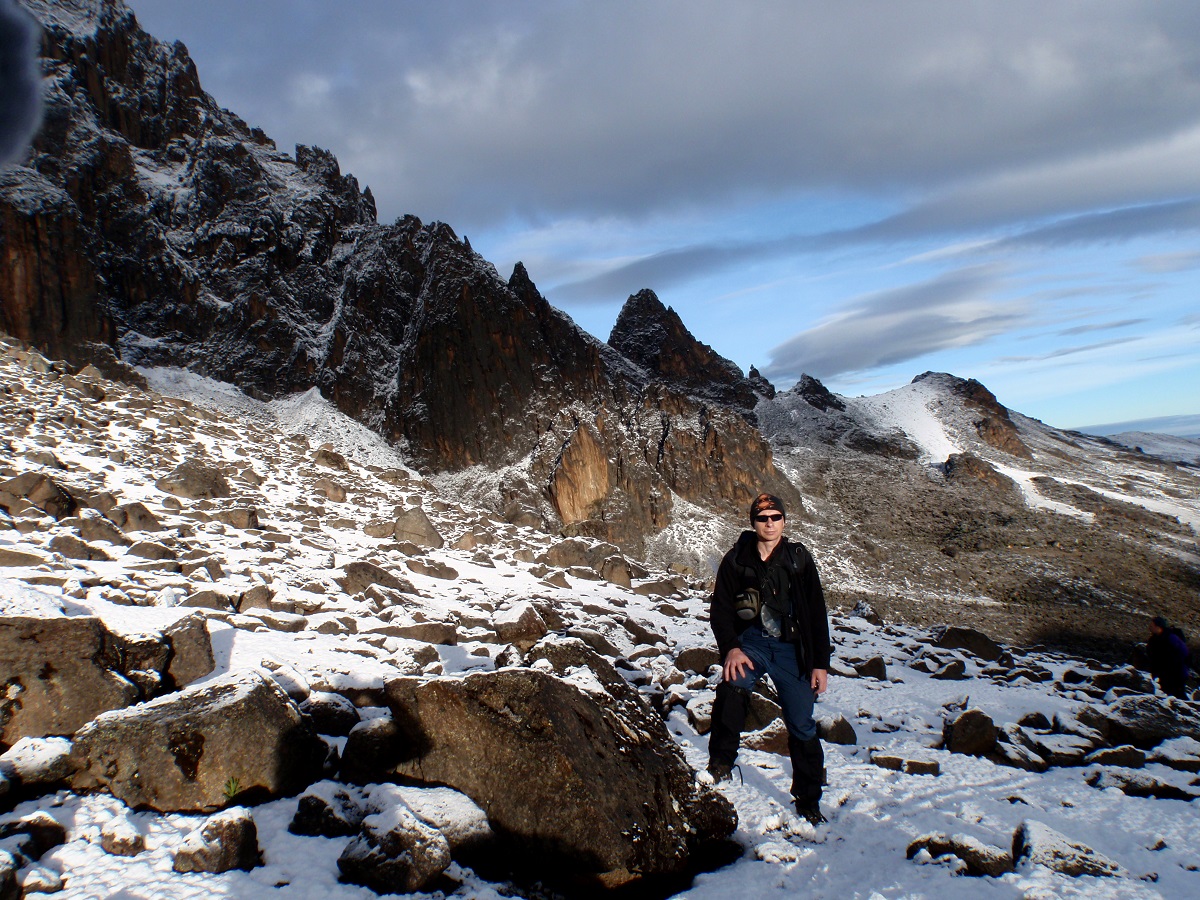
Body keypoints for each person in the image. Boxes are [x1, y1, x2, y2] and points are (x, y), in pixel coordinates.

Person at [706, 492, 832, 826]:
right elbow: (719, 611)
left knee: (801, 722)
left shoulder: (798, 558)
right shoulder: (736, 559)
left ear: (784, 520)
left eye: (776, 517)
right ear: (753, 522)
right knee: (733, 683)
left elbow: (817, 613)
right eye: (763, 518)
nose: (770, 523)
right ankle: (719, 765)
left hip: (793, 651)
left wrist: (820, 663)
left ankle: (808, 799)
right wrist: (731, 648)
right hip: (754, 643)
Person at [1146, 616, 1190, 700]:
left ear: (1158, 626)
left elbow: (1183, 653)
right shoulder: (1153, 640)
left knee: (1178, 695)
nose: (1149, 627)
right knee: (1168, 696)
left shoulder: (1171, 637)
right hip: (1163, 674)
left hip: (1176, 673)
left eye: (1152, 626)